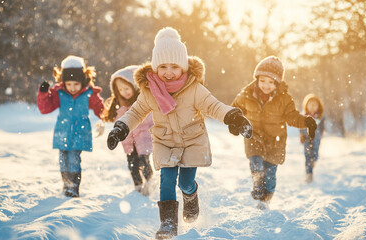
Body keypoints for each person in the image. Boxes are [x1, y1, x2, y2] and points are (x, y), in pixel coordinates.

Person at [106, 27, 252, 239]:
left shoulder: (193, 88)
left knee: (184, 183)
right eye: (163, 66)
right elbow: (136, 112)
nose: (168, 71)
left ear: (183, 66)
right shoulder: (149, 90)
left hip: (192, 141)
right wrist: (121, 127)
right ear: (155, 67)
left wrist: (233, 117)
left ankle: (191, 196)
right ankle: (168, 224)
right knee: (166, 180)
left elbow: (214, 106)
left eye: (174, 66)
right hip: (164, 141)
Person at [231, 56, 317, 209]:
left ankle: (266, 199)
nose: (266, 85)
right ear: (257, 79)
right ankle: (257, 183)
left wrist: (306, 121)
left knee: (270, 175)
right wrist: (235, 122)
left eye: (271, 82)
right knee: (256, 164)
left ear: (277, 83)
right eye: (263, 80)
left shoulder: (284, 99)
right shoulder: (246, 94)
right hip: (254, 137)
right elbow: (235, 109)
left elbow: (292, 117)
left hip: (275, 142)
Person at [37, 55, 105, 197]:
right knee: (63, 161)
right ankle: (66, 184)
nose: (72, 88)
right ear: (64, 83)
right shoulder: (59, 93)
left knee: (74, 160)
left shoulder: (89, 94)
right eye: (69, 84)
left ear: (82, 82)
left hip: (80, 133)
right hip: (62, 132)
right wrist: (43, 94)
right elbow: (45, 109)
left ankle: (73, 187)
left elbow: (101, 109)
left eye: (76, 84)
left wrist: (108, 115)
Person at [103, 65, 154, 195]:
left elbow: (150, 119)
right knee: (132, 164)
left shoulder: (142, 102)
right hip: (128, 141)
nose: (124, 92)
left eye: (127, 88)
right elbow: (110, 118)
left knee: (144, 161)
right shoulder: (118, 105)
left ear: (134, 85)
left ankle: (149, 181)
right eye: (120, 89)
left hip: (143, 138)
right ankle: (137, 185)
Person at [300, 94, 325, 184]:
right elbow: (301, 127)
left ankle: (313, 162)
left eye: (315, 104)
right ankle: (309, 174)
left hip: (316, 139)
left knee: (315, 155)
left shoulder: (320, 117)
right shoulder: (304, 116)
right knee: (307, 156)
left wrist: (321, 135)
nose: (312, 106)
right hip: (306, 138)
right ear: (306, 105)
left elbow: (322, 127)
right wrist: (301, 135)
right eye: (310, 104)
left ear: (318, 106)